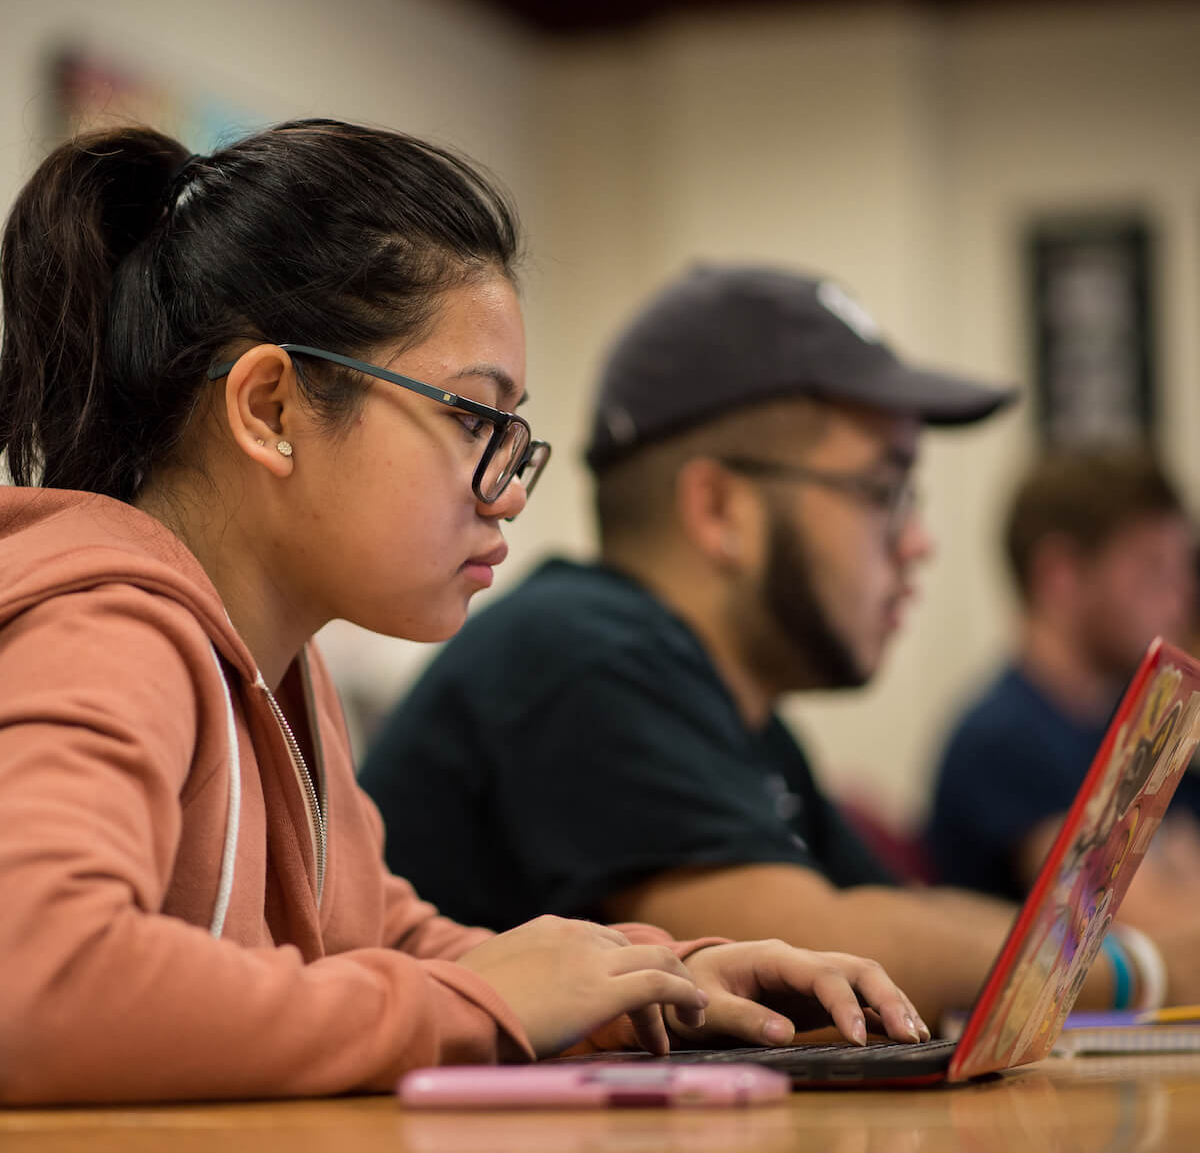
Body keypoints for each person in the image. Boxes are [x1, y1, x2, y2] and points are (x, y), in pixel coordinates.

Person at [0, 126, 929, 1105]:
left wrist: (654, 981)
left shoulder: (284, 667)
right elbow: (34, 979)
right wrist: (472, 1009)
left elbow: (381, 939)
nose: (510, 493)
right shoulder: (110, 629)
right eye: (471, 419)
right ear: (270, 408)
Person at [361, 263, 1200, 1023]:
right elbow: (825, 944)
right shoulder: (582, 654)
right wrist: (1149, 968)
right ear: (721, 509)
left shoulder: (737, 715)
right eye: (885, 491)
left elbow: (907, 918)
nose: (917, 544)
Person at [927, 446, 1200, 928]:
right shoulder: (1002, 740)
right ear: (1061, 575)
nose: (1180, 600)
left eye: (1183, 572)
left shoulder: (1140, 725)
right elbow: (1148, 925)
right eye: (1153, 570)